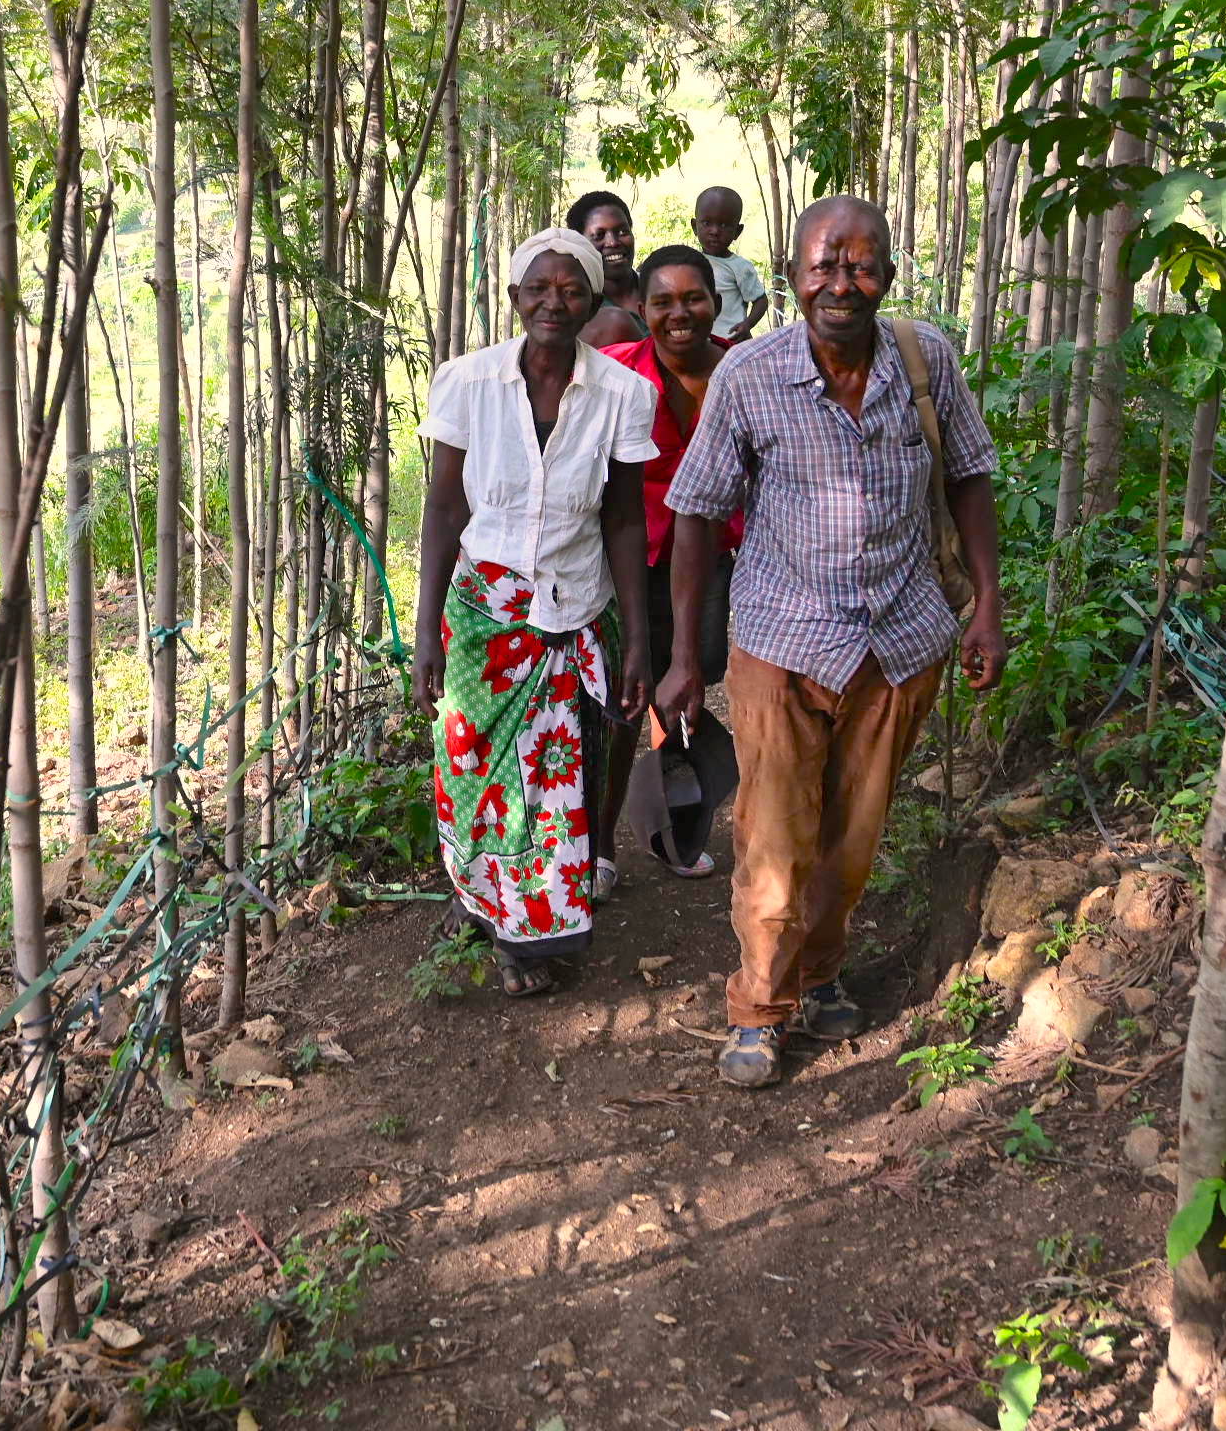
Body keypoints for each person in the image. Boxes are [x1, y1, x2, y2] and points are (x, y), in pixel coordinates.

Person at [658, 194, 1005, 1088]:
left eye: (859, 265)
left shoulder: (926, 362)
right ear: (793, 275)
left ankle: (817, 973)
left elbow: (968, 477)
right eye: (824, 265)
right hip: (782, 641)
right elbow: (694, 512)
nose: (841, 283)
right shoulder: (750, 376)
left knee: (851, 843)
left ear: (886, 274)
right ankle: (759, 1008)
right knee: (774, 837)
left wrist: (988, 604)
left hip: (899, 642)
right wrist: (687, 659)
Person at [413, 226, 657, 997]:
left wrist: (638, 643)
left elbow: (623, 521)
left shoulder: (624, 393)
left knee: (561, 778)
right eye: (539, 289)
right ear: (515, 298)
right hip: (484, 613)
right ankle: (483, 901)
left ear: (592, 300)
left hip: (576, 610)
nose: (556, 301)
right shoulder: (467, 381)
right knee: (471, 768)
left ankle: (539, 938)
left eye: (572, 288)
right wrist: (425, 632)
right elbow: (444, 510)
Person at [596, 246, 744, 881]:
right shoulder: (614, 374)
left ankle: (677, 812)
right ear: (641, 308)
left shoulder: (746, 371)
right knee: (624, 703)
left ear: (715, 302)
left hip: (713, 557)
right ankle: (601, 848)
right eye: (662, 302)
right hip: (631, 560)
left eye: (692, 299)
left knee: (693, 677)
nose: (678, 314)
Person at [566, 190, 645, 348]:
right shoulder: (574, 311)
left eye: (622, 232)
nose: (613, 242)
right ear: (579, 244)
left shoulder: (659, 288)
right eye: (599, 235)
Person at [692, 186, 770, 341]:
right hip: (699, 343)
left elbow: (761, 301)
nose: (714, 231)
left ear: (737, 232)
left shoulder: (739, 267)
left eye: (724, 225)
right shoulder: (691, 261)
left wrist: (747, 324)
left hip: (731, 342)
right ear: (695, 226)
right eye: (707, 223)